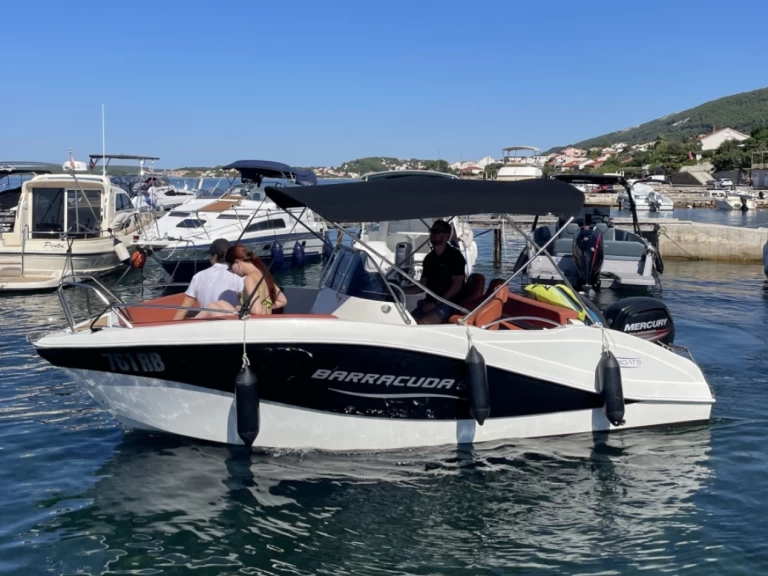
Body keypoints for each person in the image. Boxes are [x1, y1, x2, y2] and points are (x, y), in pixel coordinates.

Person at [197, 244, 287, 318]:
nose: (232, 272)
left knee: (211, 308)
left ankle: (191, 325)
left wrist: (238, 308)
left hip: (253, 325)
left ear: (237, 262)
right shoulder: (264, 276)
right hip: (264, 321)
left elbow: (257, 311)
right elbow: (282, 301)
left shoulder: (249, 279)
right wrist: (265, 307)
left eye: (230, 268)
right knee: (221, 303)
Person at [407, 219, 466, 325]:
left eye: (436, 231)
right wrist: (399, 290)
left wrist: (435, 303)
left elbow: (457, 286)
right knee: (407, 321)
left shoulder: (455, 257)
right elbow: (422, 286)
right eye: (432, 231)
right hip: (429, 302)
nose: (432, 234)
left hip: (450, 304)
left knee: (423, 322)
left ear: (446, 236)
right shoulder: (429, 259)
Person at [172, 238, 244, 320]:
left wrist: (173, 325)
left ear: (214, 256)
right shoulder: (238, 275)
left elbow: (184, 308)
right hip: (229, 322)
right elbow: (244, 302)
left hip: (205, 323)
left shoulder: (198, 276)